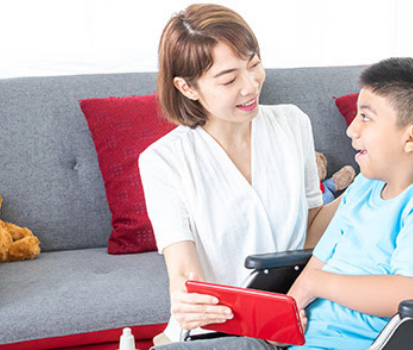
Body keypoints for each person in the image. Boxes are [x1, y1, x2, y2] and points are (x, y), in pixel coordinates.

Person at [139, 4, 339, 347]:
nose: (251, 86)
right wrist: (186, 300)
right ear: (187, 87)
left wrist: (372, 184)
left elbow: (310, 226)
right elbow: (186, 276)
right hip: (217, 330)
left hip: (294, 316)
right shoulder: (164, 160)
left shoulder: (293, 123)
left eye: (254, 64)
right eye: (229, 78)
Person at [284, 57, 413, 350]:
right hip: (294, 339)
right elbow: (319, 261)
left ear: (412, 137)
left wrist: (317, 284)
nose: (351, 130)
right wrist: (285, 317)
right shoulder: (365, 183)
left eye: (366, 117)